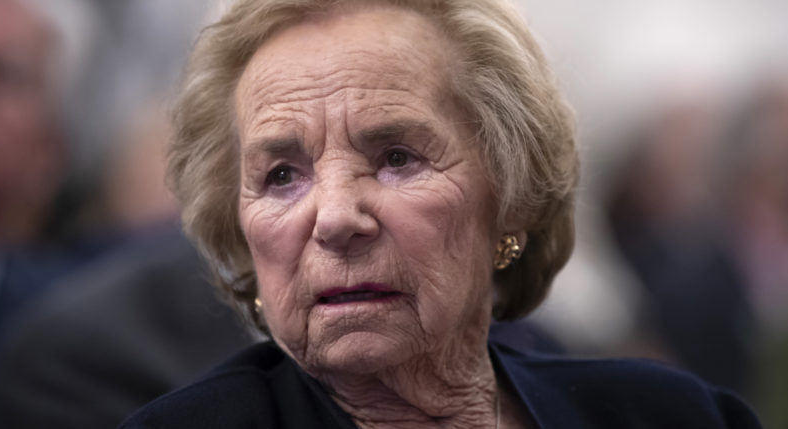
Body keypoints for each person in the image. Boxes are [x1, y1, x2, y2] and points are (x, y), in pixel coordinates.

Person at [121, 0, 762, 427]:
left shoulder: (672, 414)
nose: (337, 216)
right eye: (282, 175)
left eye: (398, 157)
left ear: (511, 197)